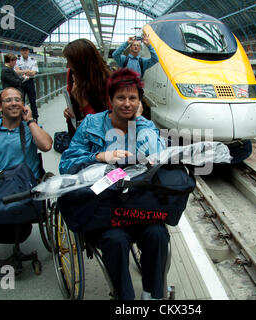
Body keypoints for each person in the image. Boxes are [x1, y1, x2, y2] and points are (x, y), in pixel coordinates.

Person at [59, 68, 168, 300]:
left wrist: (140, 122)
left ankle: (153, 294)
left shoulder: (144, 126)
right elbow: (66, 164)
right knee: (115, 240)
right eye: (120, 97)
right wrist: (99, 157)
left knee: (158, 234)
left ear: (140, 102)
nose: (126, 103)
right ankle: (125, 299)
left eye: (132, 98)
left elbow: (160, 157)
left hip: (138, 207)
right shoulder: (91, 125)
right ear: (110, 100)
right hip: (103, 209)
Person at [0, 87, 52, 180]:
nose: (14, 103)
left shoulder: (31, 128)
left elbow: (46, 146)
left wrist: (30, 120)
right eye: (8, 100)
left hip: (28, 184)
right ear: (0, 106)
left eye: (17, 100)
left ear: (23, 105)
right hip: (1, 185)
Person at [62, 39, 111, 138]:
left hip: (98, 135)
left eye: (70, 62)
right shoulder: (71, 73)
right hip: (77, 130)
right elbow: (71, 102)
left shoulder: (107, 80)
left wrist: (83, 103)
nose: (67, 65)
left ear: (82, 63)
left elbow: (108, 122)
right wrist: (69, 111)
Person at [15, 46, 39, 121]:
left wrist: (22, 71)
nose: (25, 52)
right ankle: (22, 117)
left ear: (28, 51)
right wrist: (28, 71)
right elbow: (16, 72)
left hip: (30, 82)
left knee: (33, 101)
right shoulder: (17, 60)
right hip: (20, 83)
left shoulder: (33, 60)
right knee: (21, 101)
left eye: (26, 50)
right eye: (23, 50)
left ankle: (35, 117)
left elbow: (33, 73)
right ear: (21, 52)